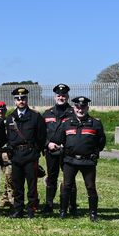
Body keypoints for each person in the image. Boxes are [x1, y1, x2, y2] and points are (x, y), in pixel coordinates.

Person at [54, 96, 106, 221]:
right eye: (77, 107)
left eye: (83, 107)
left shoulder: (96, 124)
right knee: (67, 186)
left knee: (90, 187)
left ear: (87, 107)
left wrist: (93, 153)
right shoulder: (66, 123)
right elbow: (60, 139)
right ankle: (63, 212)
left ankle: (93, 214)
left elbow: (101, 143)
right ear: (74, 108)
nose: (80, 110)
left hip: (87, 161)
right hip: (70, 161)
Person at [4, 87, 47, 218]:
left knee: (32, 185)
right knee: (17, 185)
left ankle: (31, 209)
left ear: (27, 99)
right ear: (14, 101)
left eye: (23, 98)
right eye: (18, 98)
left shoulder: (35, 116)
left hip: (30, 155)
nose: (21, 100)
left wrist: (35, 150)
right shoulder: (11, 117)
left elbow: (41, 136)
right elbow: (8, 137)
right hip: (16, 155)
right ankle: (18, 209)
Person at [42, 83, 77, 214]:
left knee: (70, 179)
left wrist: (67, 145)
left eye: (63, 95)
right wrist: (47, 144)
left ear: (67, 97)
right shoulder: (47, 113)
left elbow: (77, 132)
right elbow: (41, 133)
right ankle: (49, 204)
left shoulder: (74, 113)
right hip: (51, 151)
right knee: (51, 177)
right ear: (55, 97)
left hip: (68, 152)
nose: (61, 97)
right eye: (59, 95)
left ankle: (72, 205)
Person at [0, 101, 15, 209]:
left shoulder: (10, 122)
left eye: (2, 109)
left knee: (9, 176)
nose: (0, 111)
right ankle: (2, 198)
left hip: (6, 153)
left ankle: (10, 199)